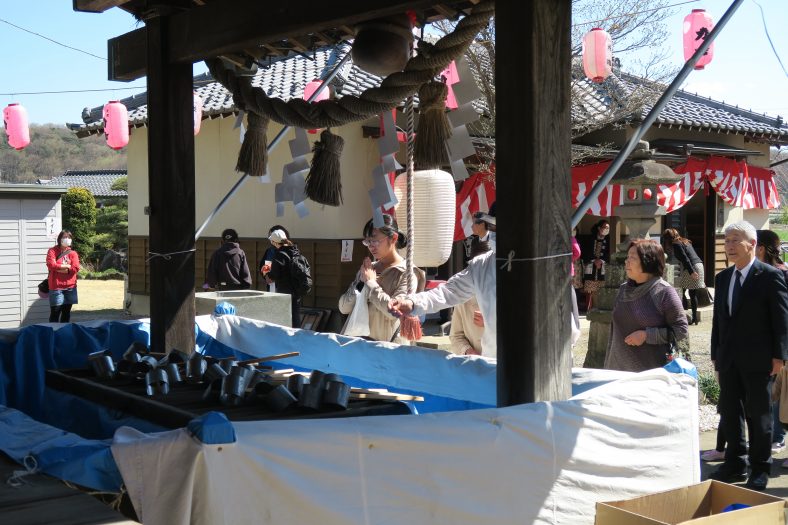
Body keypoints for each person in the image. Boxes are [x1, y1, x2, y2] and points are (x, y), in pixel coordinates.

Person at [708, 221, 788, 492]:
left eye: (735, 240)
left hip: (760, 359)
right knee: (730, 413)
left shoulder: (769, 276)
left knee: (759, 416)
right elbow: (719, 321)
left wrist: (780, 356)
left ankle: (760, 468)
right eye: (727, 240)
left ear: (752, 244)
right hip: (728, 358)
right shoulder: (723, 278)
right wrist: (715, 354)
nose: (729, 245)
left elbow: (781, 319)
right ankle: (734, 463)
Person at [604, 239, 688, 372]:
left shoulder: (664, 292)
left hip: (650, 374)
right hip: (617, 369)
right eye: (627, 257)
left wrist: (646, 335)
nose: (627, 261)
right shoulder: (623, 290)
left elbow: (681, 329)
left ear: (648, 261)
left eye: (633, 258)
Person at [338, 214, 424, 343]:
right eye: (367, 242)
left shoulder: (408, 273)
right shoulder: (368, 269)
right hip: (359, 344)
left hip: (388, 347)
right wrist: (361, 282)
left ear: (393, 238)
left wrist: (371, 284)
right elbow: (343, 307)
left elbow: (394, 312)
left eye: (375, 241)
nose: (371, 246)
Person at [756, 229, 788, 456]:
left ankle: (778, 437)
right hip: (763, 341)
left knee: (781, 392)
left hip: (781, 341)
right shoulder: (755, 273)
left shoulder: (781, 273)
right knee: (771, 391)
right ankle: (772, 436)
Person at [449, 238, 490, 355]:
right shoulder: (464, 296)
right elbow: (456, 336)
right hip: (475, 365)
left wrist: (490, 321)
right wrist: (468, 351)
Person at [661, 228, 705, 325]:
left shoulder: (676, 244)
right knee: (691, 293)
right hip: (699, 265)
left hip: (692, 267)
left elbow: (685, 259)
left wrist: (691, 272)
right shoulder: (685, 241)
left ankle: (683, 315)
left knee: (683, 291)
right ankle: (693, 318)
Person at [264, 229, 304, 328]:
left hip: (285, 290)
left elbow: (274, 275)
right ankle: (297, 337)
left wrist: (267, 272)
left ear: (274, 242)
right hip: (297, 289)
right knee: (295, 315)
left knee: (285, 317)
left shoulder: (279, 255)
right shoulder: (295, 251)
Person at [46, 230, 81, 323]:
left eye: (69, 237)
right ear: (59, 239)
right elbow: (50, 265)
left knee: (66, 313)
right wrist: (67, 266)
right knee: (55, 313)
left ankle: (63, 333)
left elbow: (76, 268)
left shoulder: (73, 253)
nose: (67, 239)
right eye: (65, 237)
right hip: (56, 287)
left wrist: (59, 269)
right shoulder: (52, 251)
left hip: (70, 287)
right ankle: (53, 333)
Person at [581, 219, 610, 310]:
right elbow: (585, 251)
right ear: (599, 228)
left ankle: (601, 307)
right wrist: (594, 260)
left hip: (603, 266)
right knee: (589, 288)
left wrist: (601, 260)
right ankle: (589, 308)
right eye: (605, 227)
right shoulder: (591, 238)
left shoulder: (609, 239)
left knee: (602, 286)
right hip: (590, 265)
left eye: (608, 228)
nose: (606, 229)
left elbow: (610, 252)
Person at [258, 225, 290, 292]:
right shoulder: (270, 251)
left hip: (286, 286)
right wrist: (266, 276)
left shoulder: (290, 251)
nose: (270, 239)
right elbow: (265, 265)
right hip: (272, 285)